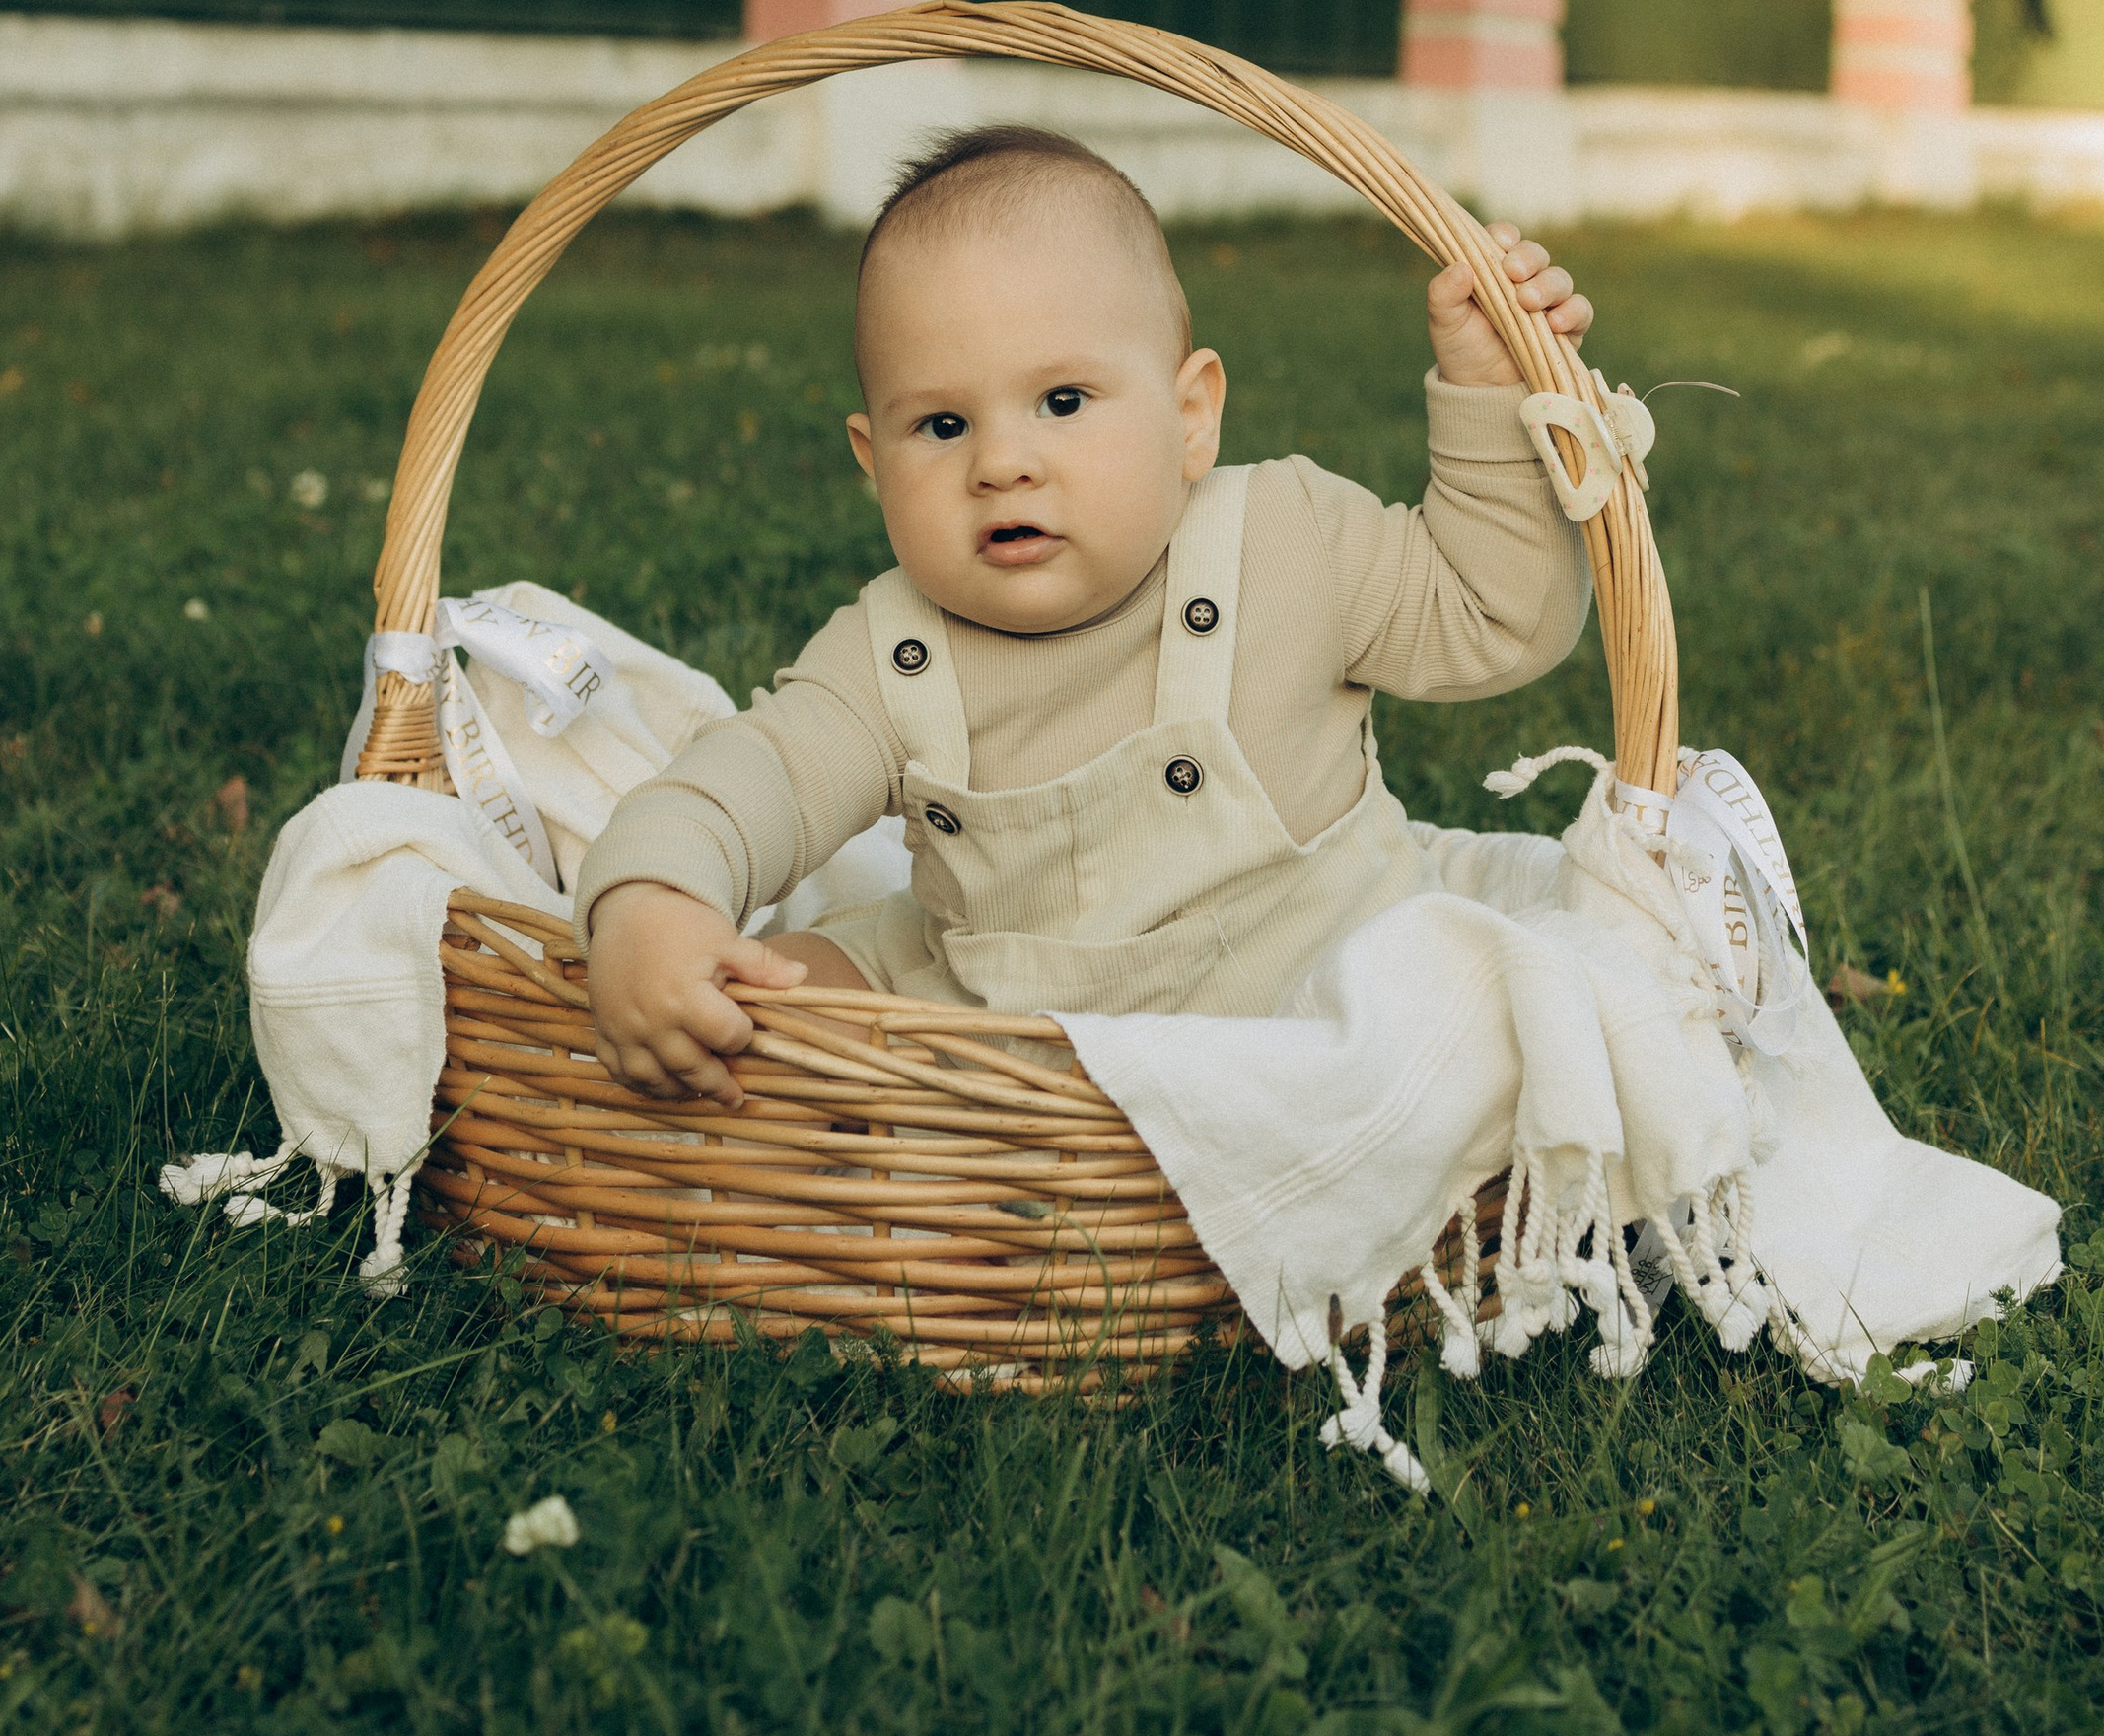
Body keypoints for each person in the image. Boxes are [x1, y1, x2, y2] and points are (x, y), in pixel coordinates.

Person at [577, 125, 1596, 1105]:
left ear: (1189, 416)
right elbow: (747, 779)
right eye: (940, 425)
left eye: (1062, 402)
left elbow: (1492, 613)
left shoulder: (1288, 541)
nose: (1000, 463)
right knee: (765, 999)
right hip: (1006, 1039)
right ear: (870, 461)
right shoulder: (891, 653)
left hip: (1313, 1005)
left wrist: (1489, 400)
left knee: (1478, 1007)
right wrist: (652, 902)